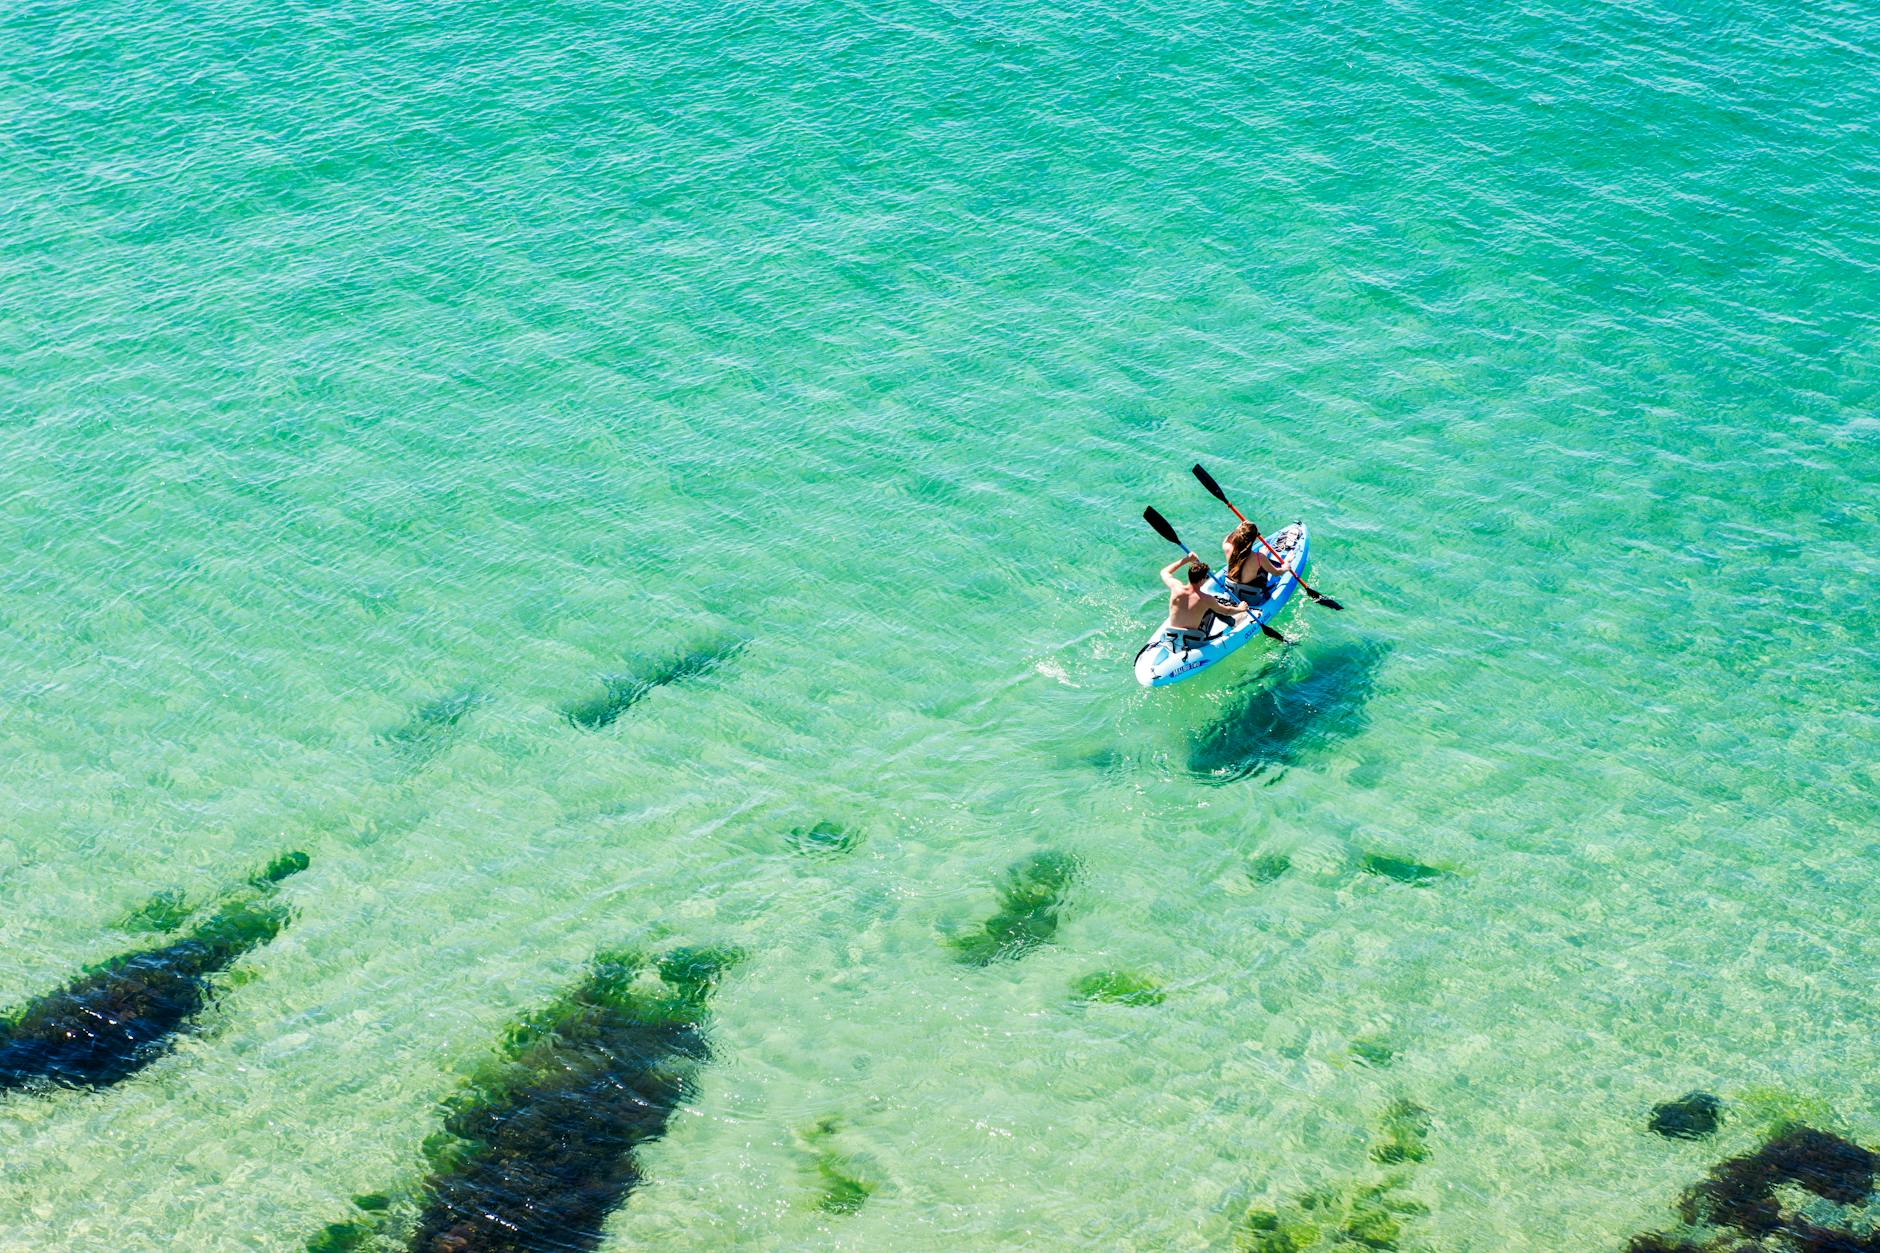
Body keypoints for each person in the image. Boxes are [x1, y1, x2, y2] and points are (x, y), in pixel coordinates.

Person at [1159, 553, 1248, 650]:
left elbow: (1164, 572)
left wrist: (1187, 559)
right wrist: (1240, 609)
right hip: (1192, 641)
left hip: (1172, 636)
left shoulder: (1176, 587)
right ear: (1202, 580)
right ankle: (1234, 622)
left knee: (1209, 606)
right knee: (1212, 608)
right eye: (1206, 578)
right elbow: (1226, 611)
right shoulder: (1206, 599)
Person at [1220, 522, 1289, 605]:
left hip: (1231, 594)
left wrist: (1238, 529)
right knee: (1262, 569)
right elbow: (1277, 573)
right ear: (1254, 538)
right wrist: (1286, 565)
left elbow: (1229, 538)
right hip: (1251, 599)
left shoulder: (1226, 547)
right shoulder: (1259, 558)